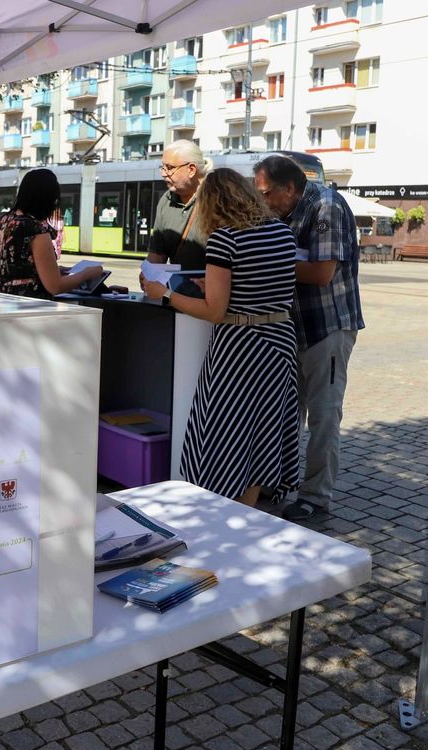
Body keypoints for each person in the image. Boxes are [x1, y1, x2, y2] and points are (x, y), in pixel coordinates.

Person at [142, 168, 299, 507]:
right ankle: (249, 510)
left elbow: (214, 311)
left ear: (213, 203)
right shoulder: (282, 233)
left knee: (226, 431)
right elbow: (264, 283)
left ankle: (224, 512)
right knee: (263, 434)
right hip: (279, 342)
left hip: (239, 348)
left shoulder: (225, 239)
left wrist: (163, 293)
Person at [253, 155, 364, 522]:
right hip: (292, 328)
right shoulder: (281, 208)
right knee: (286, 413)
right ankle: (278, 481)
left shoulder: (326, 206)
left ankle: (316, 496)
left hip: (328, 327)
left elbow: (320, 272)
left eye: (268, 194)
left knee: (323, 416)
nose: (264, 202)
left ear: (289, 188)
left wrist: (267, 262)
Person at [0, 168, 105, 299]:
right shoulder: (34, 229)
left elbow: (7, 273)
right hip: (30, 305)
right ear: (47, 199)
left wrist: (50, 271)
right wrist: (86, 274)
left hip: (2, 299)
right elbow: (55, 286)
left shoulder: (0, 223)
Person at [146, 140, 210, 270]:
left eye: (169, 168)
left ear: (191, 170)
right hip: (176, 288)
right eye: (162, 167)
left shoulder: (216, 198)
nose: (163, 174)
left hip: (212, 288)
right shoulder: (166, 200)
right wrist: (148, 274)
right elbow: (157, 254)